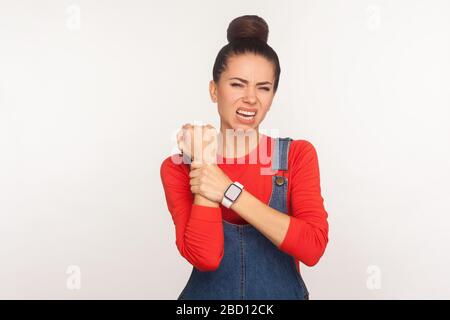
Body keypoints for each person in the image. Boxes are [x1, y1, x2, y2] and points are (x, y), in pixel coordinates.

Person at [160, 15, 329, 300]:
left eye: (263, 87)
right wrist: (203, 161)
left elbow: (312, 248)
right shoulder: (178, 167)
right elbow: (206, 257)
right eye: (237, 84)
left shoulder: (297, 156)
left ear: (273, 96)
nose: (251, 98)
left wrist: (228, 191)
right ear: (214, 90)